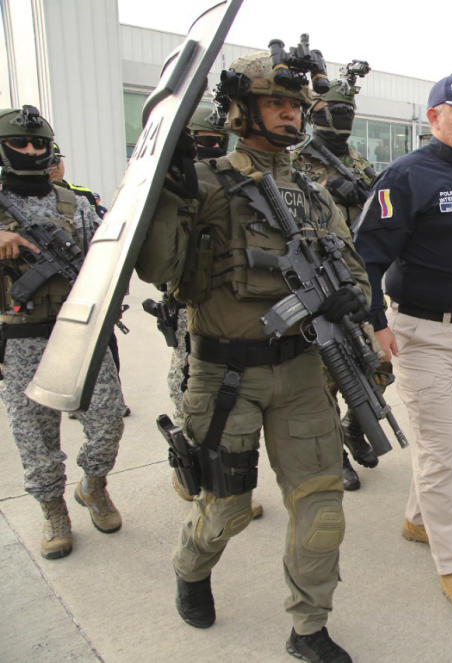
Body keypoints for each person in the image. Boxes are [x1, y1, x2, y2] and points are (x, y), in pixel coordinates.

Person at [136, 49, 368, 662]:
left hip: (299, 369)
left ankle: (309, 627)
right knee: (227, 509)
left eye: (296, 105)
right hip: (224, 374)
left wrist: (355, 297)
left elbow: (349, 262)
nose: (290, 115)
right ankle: (191, 567)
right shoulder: (207, 181)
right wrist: (167, 193)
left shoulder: (313, 193)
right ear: (241, 109)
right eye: (276, 103)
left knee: (322, 510)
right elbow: (158, 268)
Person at [353, 73, 452, 614]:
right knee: (440, 454)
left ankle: (419, 520)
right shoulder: (405, 176)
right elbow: (363, 254)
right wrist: (376, 320)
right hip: (420, 335)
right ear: (434, 117)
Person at [0, 105, 125, 560]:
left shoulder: (73, 202)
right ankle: (53, 510)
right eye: (20, 143)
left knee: (108, 420)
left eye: (39, 144)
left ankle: (94, 485)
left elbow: (107, 254)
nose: (32, 151)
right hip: (21, 335)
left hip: (80, 328)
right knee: (35, 433)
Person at [158, 106, 263, 519]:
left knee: (235, 403)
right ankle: (197, 474)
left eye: (217, 141)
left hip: (233, 306)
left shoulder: (236, 182)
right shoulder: (181, 186)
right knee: (190, 387)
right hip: (190, 307)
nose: (212, 148)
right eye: (202, 140)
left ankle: (232, 484)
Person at [294, 67, 383, 491]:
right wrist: (330, 188)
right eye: (336, 112)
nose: (343, 120)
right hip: (320, 279)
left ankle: (355, 428)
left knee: (378, 365)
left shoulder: (360, 163)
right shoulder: (295, 161)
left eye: (349, 112)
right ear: (316, 114)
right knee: (327, 379)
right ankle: (334, 454)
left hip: (358, 278)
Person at [48, 142, 130, 418]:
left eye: (57, 160)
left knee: (104, 347)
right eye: (50, 161)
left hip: (81, 291)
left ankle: (108, 395)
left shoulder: (81, 198)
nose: (53, 166)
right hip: (36, 306)